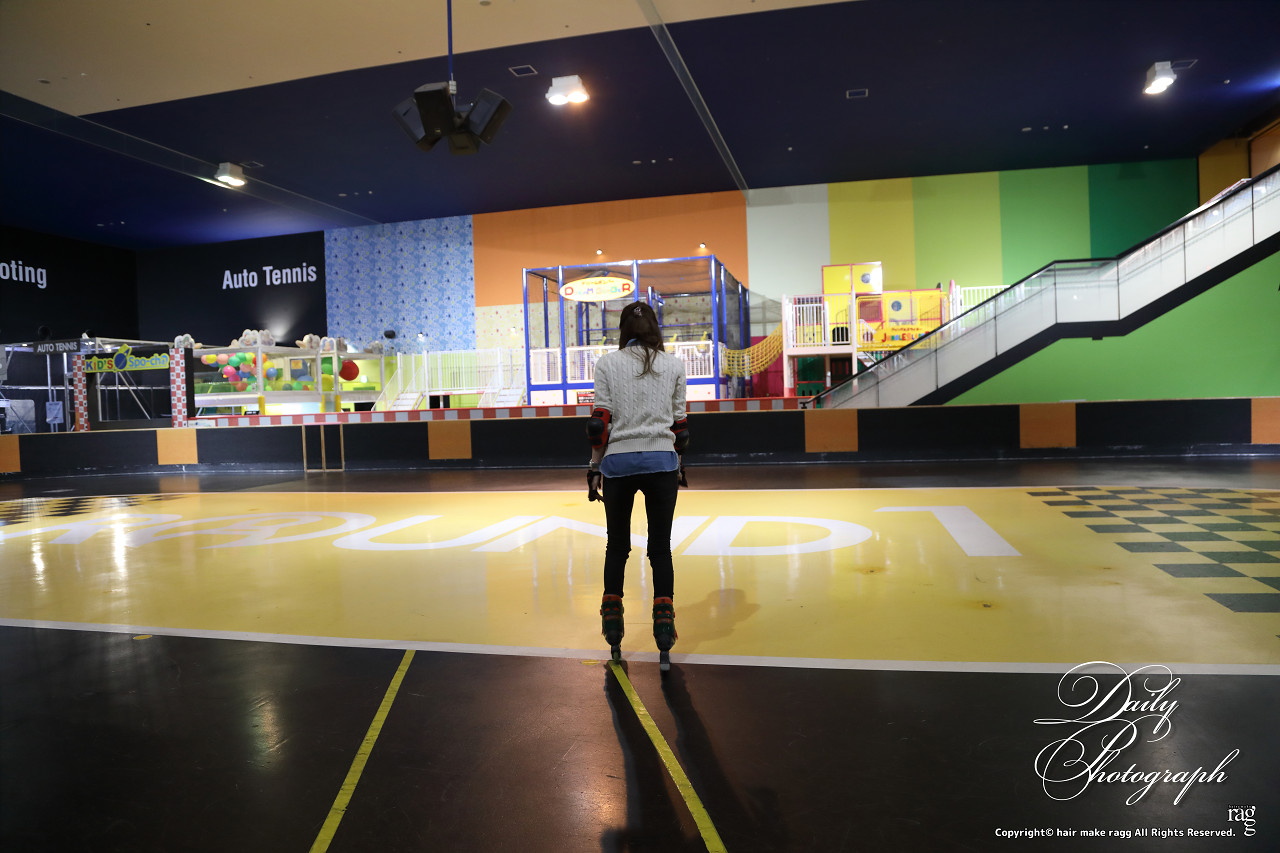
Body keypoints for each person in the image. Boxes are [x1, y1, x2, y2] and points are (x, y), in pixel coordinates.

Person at [586, 301, 689, 670]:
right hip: (662, 462)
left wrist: (594, 468)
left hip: (618, 463)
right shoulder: (674, 365)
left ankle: (613, 622)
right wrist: (678, 463)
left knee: (617, 547)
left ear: (623, 330)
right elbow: (680, 426)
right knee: (660, 549)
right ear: (655, 329)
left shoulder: (606, 364)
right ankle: (663, 626)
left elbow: (599, 423)